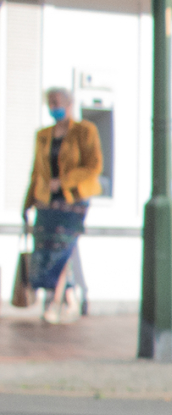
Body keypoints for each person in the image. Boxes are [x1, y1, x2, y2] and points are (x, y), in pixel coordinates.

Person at [22, 87, 100, 325]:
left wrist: (63, 181)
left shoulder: (85, 131)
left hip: (73, 199)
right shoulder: (43, 135)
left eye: (57, 102)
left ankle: (54, 303)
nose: (53, 107)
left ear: (69, 104)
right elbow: (36, 171)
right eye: (50, 103)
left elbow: (93, 166)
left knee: (63, 249)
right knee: (47, 250)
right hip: (47, 201)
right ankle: (69, 298)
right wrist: (27, 202)